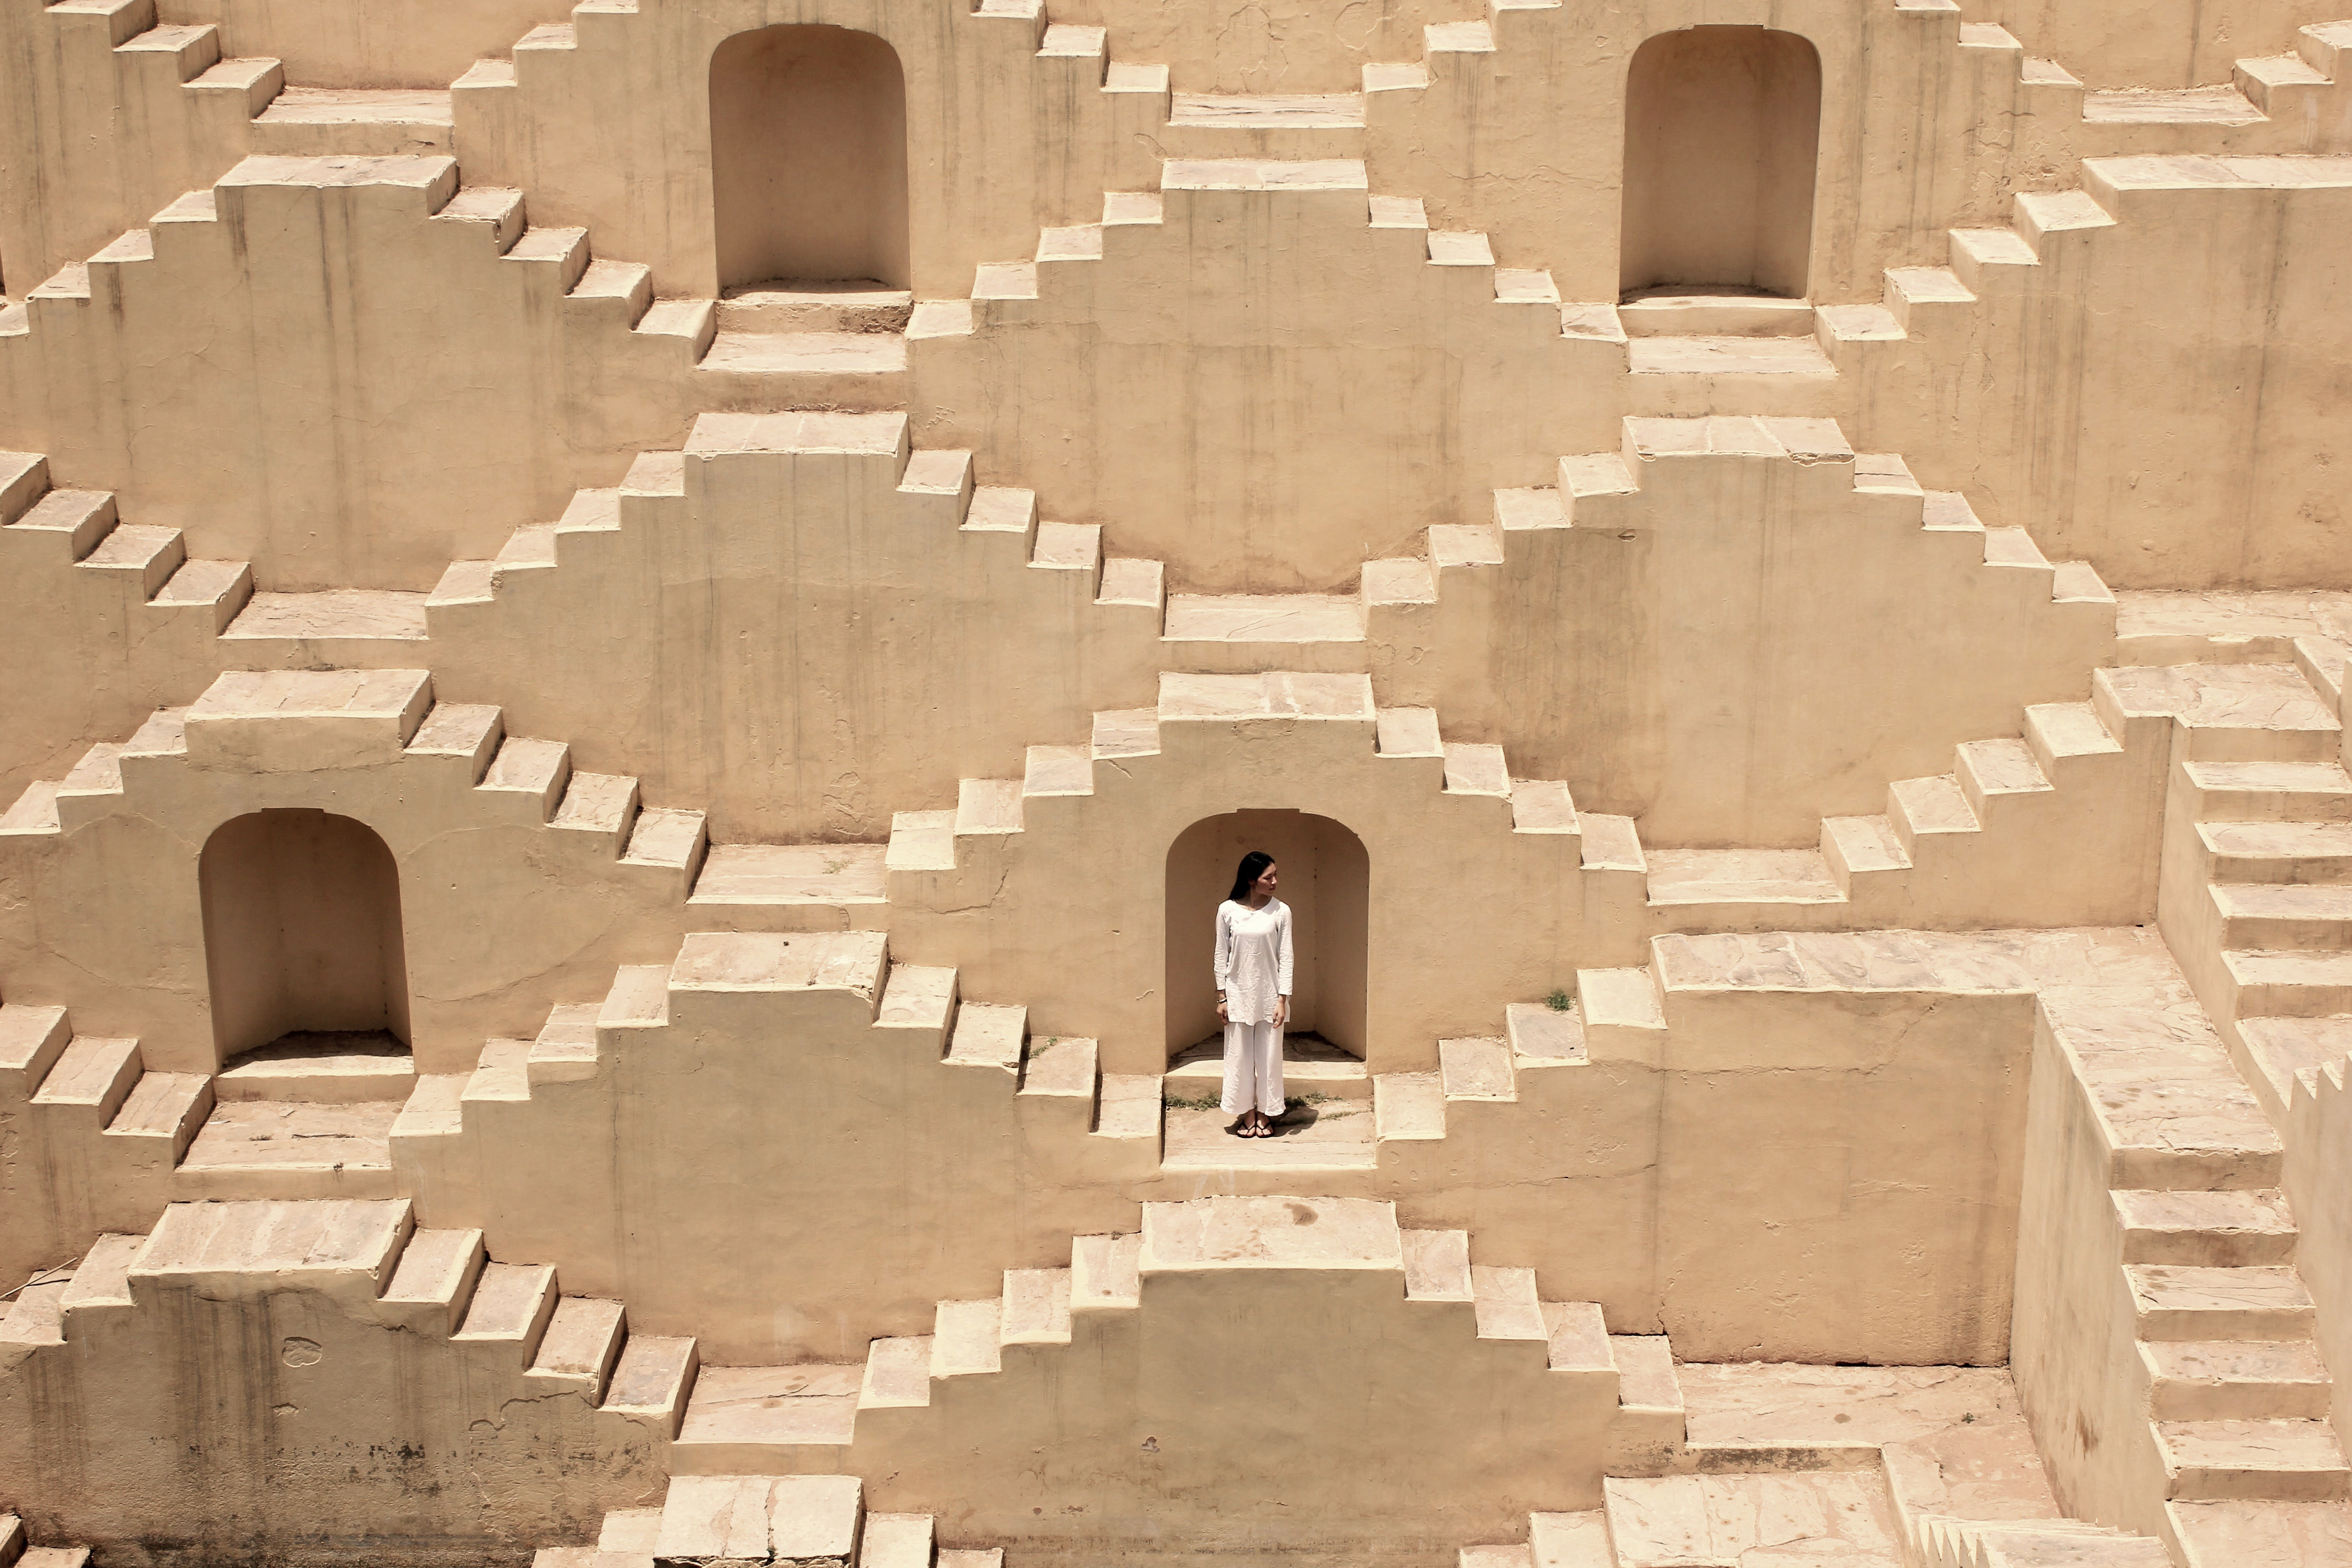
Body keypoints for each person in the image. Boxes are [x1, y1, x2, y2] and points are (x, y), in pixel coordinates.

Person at [1213, 849, 1292, 1138]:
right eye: (1268, 877)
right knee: (1239, 1056)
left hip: (1271, 995)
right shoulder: (1227, 910)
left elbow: (1287, 956)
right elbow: (1221, 953)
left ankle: (1265, 1113)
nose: (1275, 882)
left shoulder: (1281, 911)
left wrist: (1282, 999)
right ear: (1250, 880)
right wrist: (1222, 997)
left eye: (1275, 875)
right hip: (1237, 994)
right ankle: (1246, 1113)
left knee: (1270, 1058)